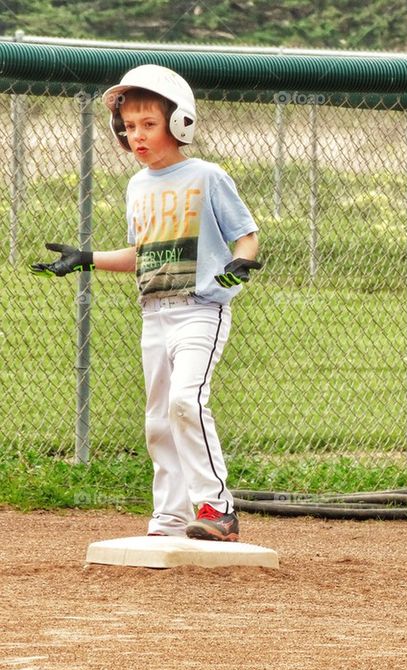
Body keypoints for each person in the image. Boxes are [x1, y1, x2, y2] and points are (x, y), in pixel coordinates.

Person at [31, 65, 261, 542]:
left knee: (186, 401)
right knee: (158, 421)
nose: (136, 135)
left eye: (148, 124)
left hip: (201, 309)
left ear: (179, 124)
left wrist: (238, 263)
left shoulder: (207, 176)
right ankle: (172, 518)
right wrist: (87, 258)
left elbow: (247, 236)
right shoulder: (137, 186)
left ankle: (217, 510)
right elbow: (142, 253)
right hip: (154, 313)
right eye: (128, 126)